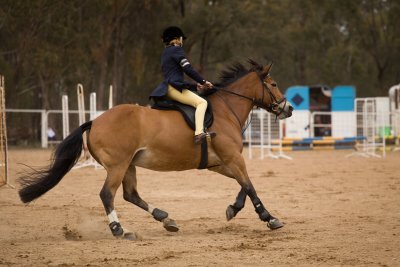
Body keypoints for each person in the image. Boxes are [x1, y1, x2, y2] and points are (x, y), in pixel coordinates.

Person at [150, 26, 216, 144]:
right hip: (174, 88)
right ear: (177, 39)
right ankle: (199, 133)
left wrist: (195, 86)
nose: (182, 41)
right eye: (181, 38)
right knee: (202, 102)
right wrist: (203, 81)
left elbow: (174, 77)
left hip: (167, 88)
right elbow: (188, 69)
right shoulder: (176, 50)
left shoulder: (165, 52)